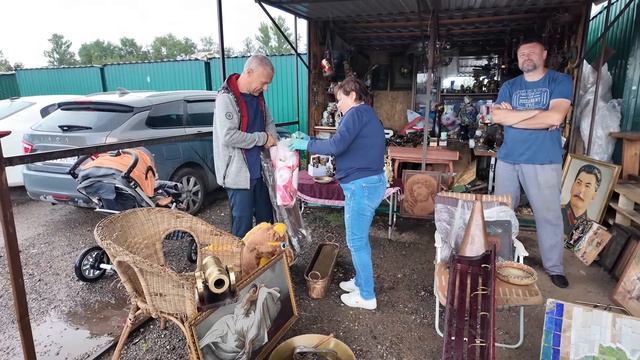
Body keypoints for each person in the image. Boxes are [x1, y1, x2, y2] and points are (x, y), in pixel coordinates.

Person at [289, 76, 386, 310]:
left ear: (353, 95)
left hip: (362, 186)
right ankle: (361, 281)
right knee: (358, 240)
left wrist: (307, 144)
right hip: (367, 183)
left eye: (340, 99)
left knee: (356, 242)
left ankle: (367, 296)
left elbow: (336, 146)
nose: (338, 104)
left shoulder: (356, 114)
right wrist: (311, 140)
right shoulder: (366, 114)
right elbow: (344, 144)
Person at [491, 36, 573, 289]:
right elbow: (497, 116)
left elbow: (556, 116)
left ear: (544, 54)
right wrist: (539, 113)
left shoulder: (559, 81)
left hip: (543, 160)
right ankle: (500, 262)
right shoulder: (511, 85)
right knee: (500, 215)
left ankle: (554, 268)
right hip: (508, 159)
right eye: (522, 54)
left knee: (547, 216)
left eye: (532, 52)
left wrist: (513, 117)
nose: (526, 57)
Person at [213, 55, 278, 238]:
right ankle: (241, 265)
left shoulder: (258, 98)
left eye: (267, 85)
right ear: (249, 72)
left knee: (266, 225)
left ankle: (268, 264)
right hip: (238, 176)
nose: (265, 88)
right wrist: (263, 138)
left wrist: (276, 143)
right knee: (242, 229)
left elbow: (269, 123)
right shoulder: (226, 98)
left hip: (261, 173)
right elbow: (228, 136)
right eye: (263, 82)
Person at [199, 283, 282, 359]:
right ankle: (212, 341)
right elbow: (242, 309)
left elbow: (247, 309)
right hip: (241, 320)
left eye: (254, 290)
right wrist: (258, 289)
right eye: (252, 290)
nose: (253, 292)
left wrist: (259, 289)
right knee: (226, 323)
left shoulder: (252, 303)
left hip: (245, 321)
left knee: (251, 329)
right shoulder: (249, 296)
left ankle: (245, 344)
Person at [561, 164, 602, 236]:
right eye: (578, 183)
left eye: (587, 186)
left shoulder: (591, 229)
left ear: (594, 195)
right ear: (572, 186)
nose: (581, 190)